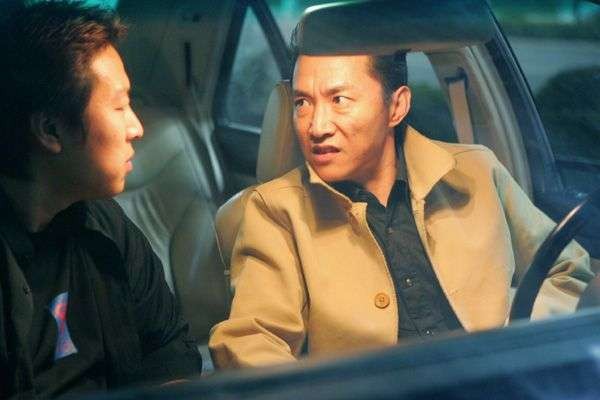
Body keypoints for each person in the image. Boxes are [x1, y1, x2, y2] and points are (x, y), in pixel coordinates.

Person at [208, 23, 594, 368]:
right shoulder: (275, 210)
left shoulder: (477, 170)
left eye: (339, 100)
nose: (317, 126)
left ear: (396, 106)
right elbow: (251, 341)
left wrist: (519, 349)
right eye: (302, 103)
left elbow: (567, 268)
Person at [0, 1, 201, 397]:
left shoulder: (106, 225)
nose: (136, 127)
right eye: (119, 106)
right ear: (50, 130)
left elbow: (168, 348)